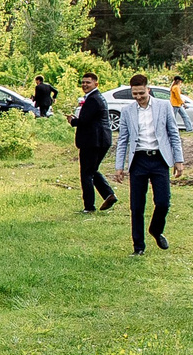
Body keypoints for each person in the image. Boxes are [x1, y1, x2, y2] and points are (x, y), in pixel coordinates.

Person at [113, 72, 185, 255]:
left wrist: (179, 160)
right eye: (134, 94)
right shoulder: (128, 111)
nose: (138, 97)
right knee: (136, 205)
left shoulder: (164, 106)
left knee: (163, 202)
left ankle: (156, 229)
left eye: (141, 93)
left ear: (148, 89)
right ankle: (138, 247)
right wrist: (119, 166)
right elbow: (123, 140)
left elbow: (173, 134)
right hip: (139, 161)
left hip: (160, 159)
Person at [68, 71, 116, 213]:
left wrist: (73, 121)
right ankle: (109, 195)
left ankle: (89, 207)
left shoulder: (94, 99)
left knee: (86, 174)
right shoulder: (96, 97)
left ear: (96, 83)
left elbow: (84, 120)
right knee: (92, 170)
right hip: (100, 140)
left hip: (93, 141)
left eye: (88, 82)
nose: (84, 85)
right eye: (83, 82)